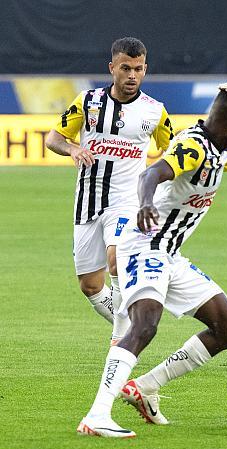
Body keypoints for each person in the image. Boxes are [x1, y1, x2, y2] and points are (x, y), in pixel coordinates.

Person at [76, 82, 227, 438]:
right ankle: (97, 416)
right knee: (144, 325)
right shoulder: (193, 147)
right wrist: (144, 203)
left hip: (169, 254)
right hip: (144, 246)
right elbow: (152, 173)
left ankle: (144, 387)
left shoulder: (221, 149)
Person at [45, 37, 173, 345]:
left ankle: (121, 334)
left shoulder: (155, 112)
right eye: (126, 68)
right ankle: (129, 323)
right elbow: (53, 139)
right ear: (112, 67)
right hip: (88, 202)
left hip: (127, 200)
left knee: (116, 258)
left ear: (145, 69)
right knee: (90, 285)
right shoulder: (87, 102)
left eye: (138, 69)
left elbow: (172, 152)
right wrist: (73, 149)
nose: (132, 76)